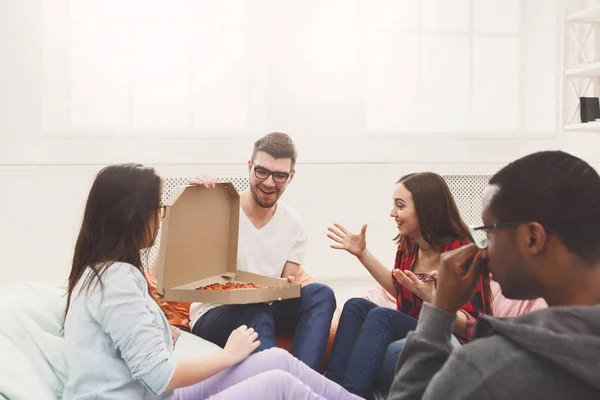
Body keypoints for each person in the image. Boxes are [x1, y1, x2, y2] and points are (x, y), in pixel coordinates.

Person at [62, 163, 360, 400]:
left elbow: (166, 279)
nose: (162, 218)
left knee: (278, 362)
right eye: (159, 209)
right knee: (279, 383)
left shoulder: (104, 274)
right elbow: (159, 375)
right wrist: (229, 355)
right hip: (155, 391)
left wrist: (195, 202)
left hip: (158, 393)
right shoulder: (116, 280)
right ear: (132, 216)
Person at [389, 151, 600, 400]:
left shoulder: (487, 369)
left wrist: (439, 312)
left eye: (488, 233)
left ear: (532, 238)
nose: (483, 250)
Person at [325, 172, 493, 397]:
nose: (392, 213)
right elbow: (400, 289)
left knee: (382, 316)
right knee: (356, 305)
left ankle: (352, 394)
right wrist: (362, 254)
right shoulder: (409, 244)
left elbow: (473, 327)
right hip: (411, 327)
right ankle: (329, 388)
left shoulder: (463, 253)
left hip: (450, 338)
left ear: (425, 209)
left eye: (400, 205)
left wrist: (434, 300)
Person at [188, 132, 336, 371]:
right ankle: (283, 385)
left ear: (291, 176)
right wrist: (193, 202)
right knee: (255, 312)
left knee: (321, 293)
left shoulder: (296, 226)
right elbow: (185, 258)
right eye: (262, 171)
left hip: (265, 306)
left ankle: (300, 380)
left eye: (279, 175)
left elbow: (286, 285)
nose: (268, 182)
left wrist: (287, 285)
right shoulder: (219, 209)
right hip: (214, 312)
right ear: (250, 166)